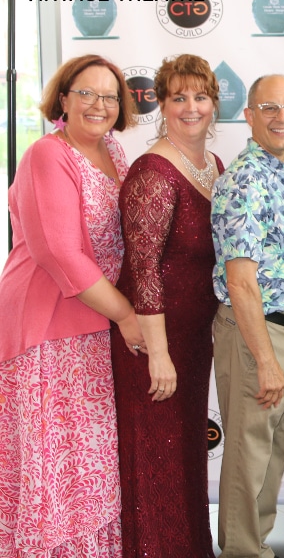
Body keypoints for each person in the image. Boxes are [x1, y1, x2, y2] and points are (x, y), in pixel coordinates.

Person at [0, 54, 143, 555]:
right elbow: (60, 250)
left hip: (96, 320)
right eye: (86, 93)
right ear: (63, 99)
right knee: (56, 458)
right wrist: (128, 315)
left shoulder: (117, 154)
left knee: (89, 462)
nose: (98, 105)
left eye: (109, 96)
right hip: (49, 322)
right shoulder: (47, 153)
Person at [109, 54, 224, 557]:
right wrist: (158, 354)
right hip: (153, 344)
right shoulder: (153, 171)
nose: (191, 107)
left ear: (215, 104)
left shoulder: (213, 166)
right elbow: (144, 270)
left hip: (194, 338)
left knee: (183, 457)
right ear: (161, 103)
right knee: (155, 460)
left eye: (200, 96)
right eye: (179, 97)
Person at [211, 74, 284, 558]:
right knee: (250, 455)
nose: (282, 118)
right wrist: (267, 358)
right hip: (258, 332)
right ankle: (240, 552)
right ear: (248, 115)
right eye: (269, 108)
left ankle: (257, 546)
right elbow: (241, 280)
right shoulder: (247, 178)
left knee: (271, 452)